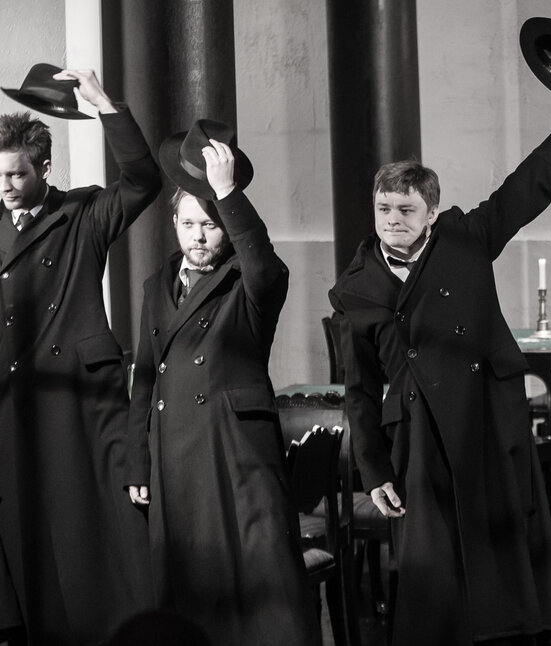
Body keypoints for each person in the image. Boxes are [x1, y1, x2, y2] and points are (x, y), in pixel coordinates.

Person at [329, 68, 551, 644]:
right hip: (417, 438)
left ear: (431, 212)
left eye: (405, 209)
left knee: (503, 566)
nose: (392, 221)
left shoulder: (465, 237)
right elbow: (359, 389)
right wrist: (374, 469)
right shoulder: (355, 288)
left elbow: (527, 186)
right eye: (383, 209)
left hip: (487, 420)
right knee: (434, 584)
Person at [124, 120, 319, 644]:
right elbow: (144, 379)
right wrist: (137, 460)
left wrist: (229, 194)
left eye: (211, 225)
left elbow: (263, 265)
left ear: (227, 227)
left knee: (261, 588)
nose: (198, 236)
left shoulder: (250, 281)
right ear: (174, 224)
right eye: (189, 224)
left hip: (234, 456)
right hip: (173, 462)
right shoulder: (156, 286)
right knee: (190, 592)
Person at [0, 69, 160, 644]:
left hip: (83, 404)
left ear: (45, 168)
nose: (5, 186)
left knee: (98, 541)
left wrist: (105, 106)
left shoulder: (83, 214)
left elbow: (143, 180)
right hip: (15, 406)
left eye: (16, 174)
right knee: (30, 544)